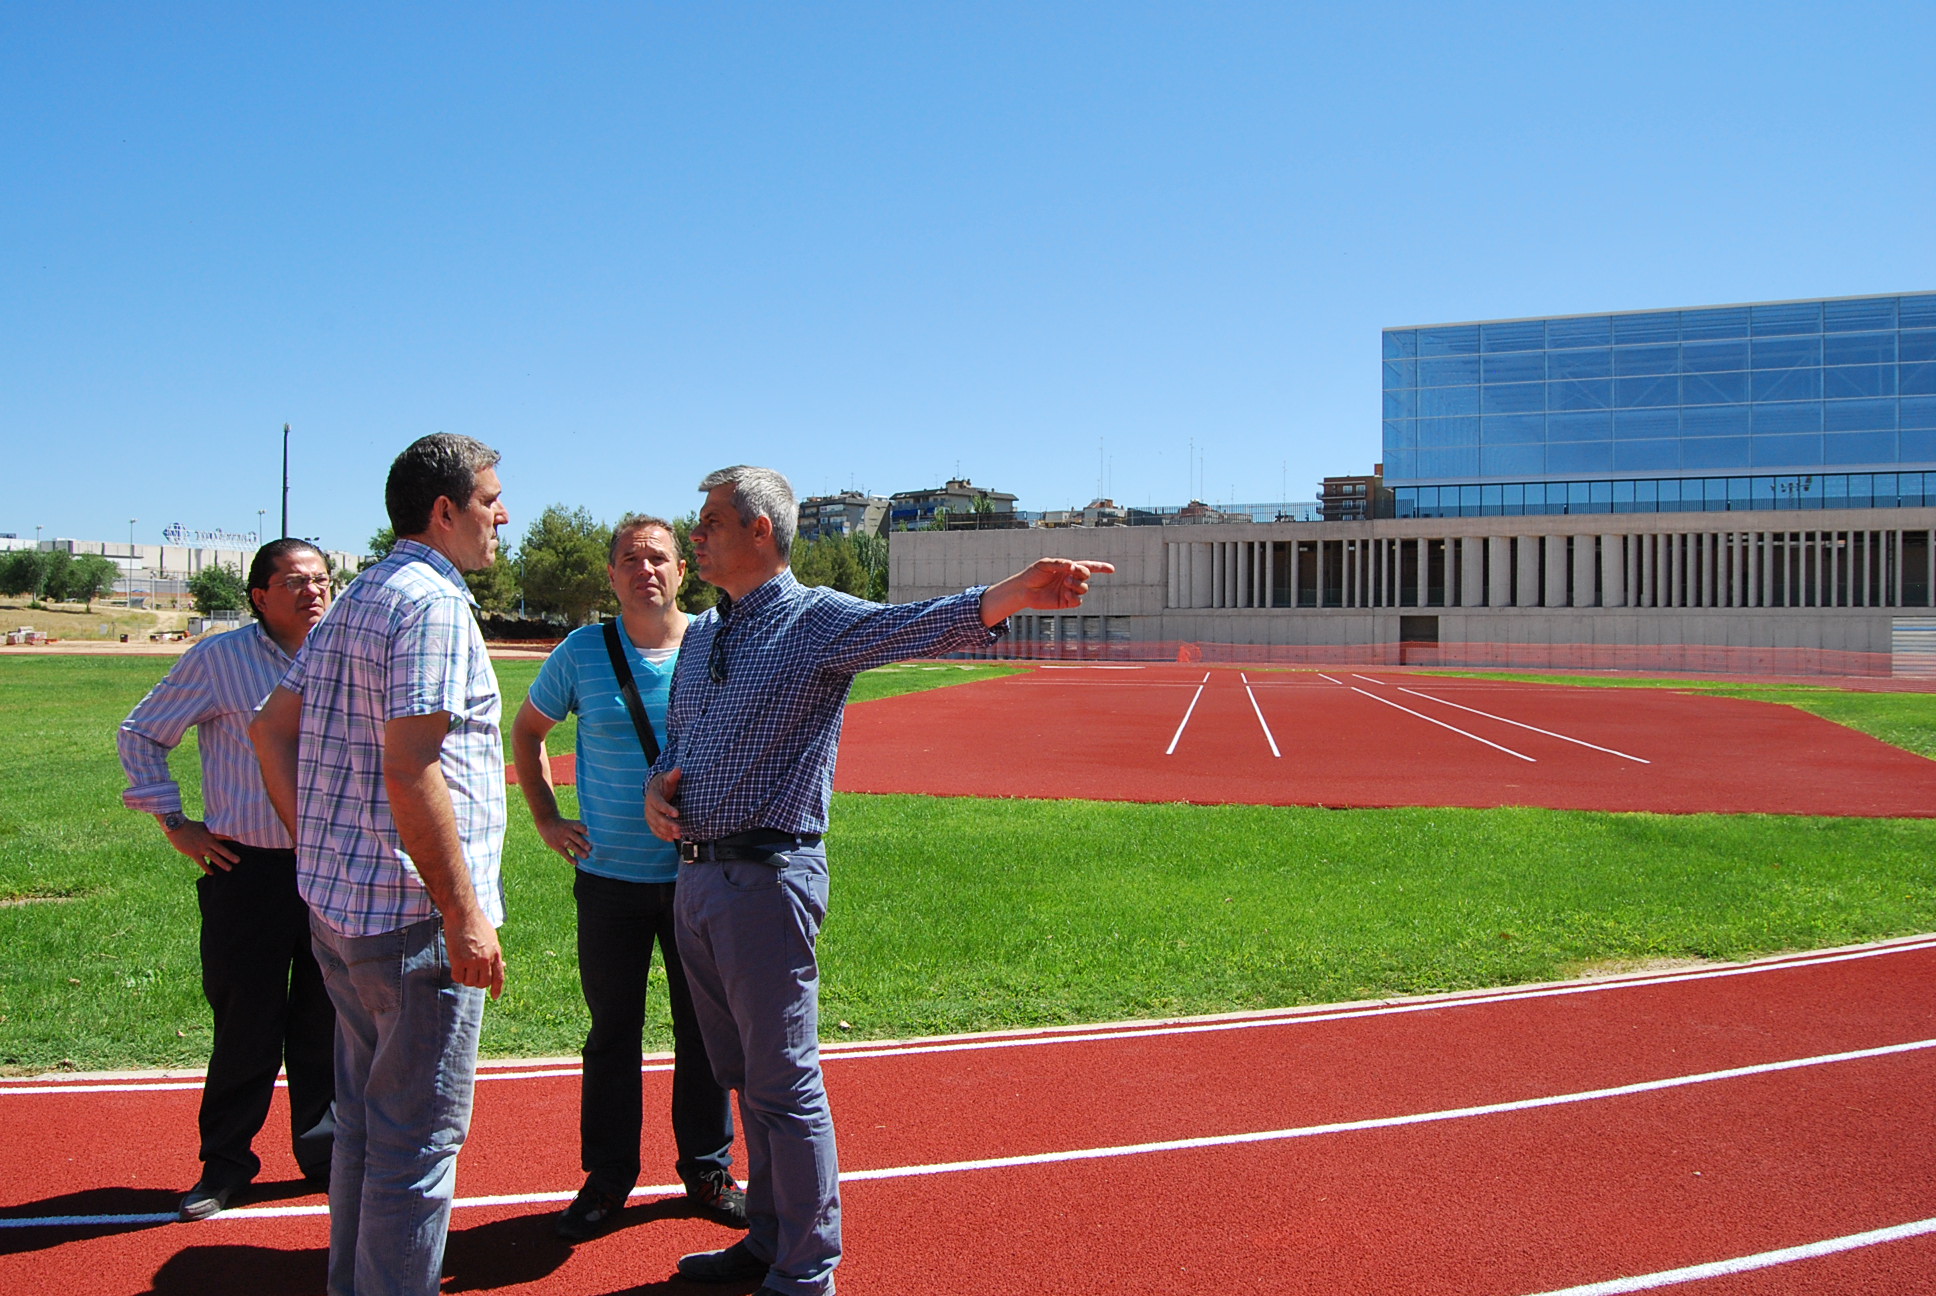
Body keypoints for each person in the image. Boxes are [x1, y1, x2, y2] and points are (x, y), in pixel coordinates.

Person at [645, 465, 1113, 1296]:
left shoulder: (816, 621)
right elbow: (680, 739)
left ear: (761, 530)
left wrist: (1017, 590)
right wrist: (659, 783)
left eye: (713, 520)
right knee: (746, 1078)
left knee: (784, 1082)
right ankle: (767, 1238)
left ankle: (806, 1268)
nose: (698, 535)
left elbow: (920, 625)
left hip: (766, 876)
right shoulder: (706, 638)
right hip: (696, 884)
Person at [251, 433, 509, 1296]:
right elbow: (412, 766)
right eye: (488, 499)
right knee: (415, 1146)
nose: (501, 515)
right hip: (408, 925)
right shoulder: (432, 605)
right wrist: (466, 913)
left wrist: (320, 845)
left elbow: (269, 728)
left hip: (340, 914)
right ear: (444, 510)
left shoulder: (362, 592)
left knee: (364, 1129)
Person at [511, 513, 745, 1240]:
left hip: (698, 878)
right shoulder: (583, 652)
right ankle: (609, 1174)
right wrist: (547, 819)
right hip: (608, 880)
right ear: (610, 575)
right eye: (629, 559)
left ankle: (707, 1168)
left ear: (682, 571)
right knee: (613, 1031)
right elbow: (527, 733)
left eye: (659, 558)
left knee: (704, 1031)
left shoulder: (716, 643)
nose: (645, 569)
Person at [117, 538, 338, 1222]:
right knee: (246, 1020)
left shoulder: (344, 653)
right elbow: (142, 733)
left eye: (323, 580)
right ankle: (227, 1162)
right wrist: (175, 822)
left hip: (332, 868)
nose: (313, 592)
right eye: (295, 581)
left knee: (327, 1019)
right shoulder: (220, 659)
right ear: (259, 594)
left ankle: (325, 1153)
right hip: (247, 870)